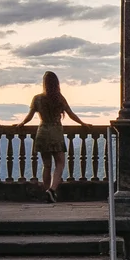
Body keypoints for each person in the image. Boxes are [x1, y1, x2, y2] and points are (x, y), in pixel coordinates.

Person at [17, 70, 86, 201]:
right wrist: (83, 123)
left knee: (47, 165)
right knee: (60, 163)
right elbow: (71, 114)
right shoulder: (59, 98)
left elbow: (29, 116)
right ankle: (52, 190)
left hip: (42, 131)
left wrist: (21, 124)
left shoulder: (37, 99)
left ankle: (46, 192)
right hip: (56, 132)